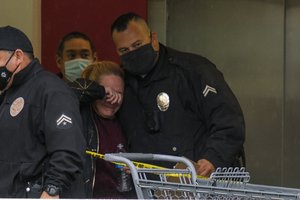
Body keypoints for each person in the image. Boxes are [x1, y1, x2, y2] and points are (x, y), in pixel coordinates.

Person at [110, 12, 246, 177]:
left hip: (202, 184)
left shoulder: (193, 71)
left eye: (138, 45)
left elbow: (229, 121)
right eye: (124, 50)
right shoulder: (122, 84)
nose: (132, 52)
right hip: (148, 187)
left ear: (153, 39)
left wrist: (213, 158)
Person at [0, 26, 86, 198]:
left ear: (17, 56)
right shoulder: (8, 94)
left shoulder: (52, 90)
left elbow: (68, 148)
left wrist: (53, 189)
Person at [69, 61, 132, 198]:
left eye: (118, 93)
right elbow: (66, 93)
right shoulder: (81, 115)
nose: (112, 99)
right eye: (107, 92)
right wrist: (101, 92)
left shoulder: (127, 120)